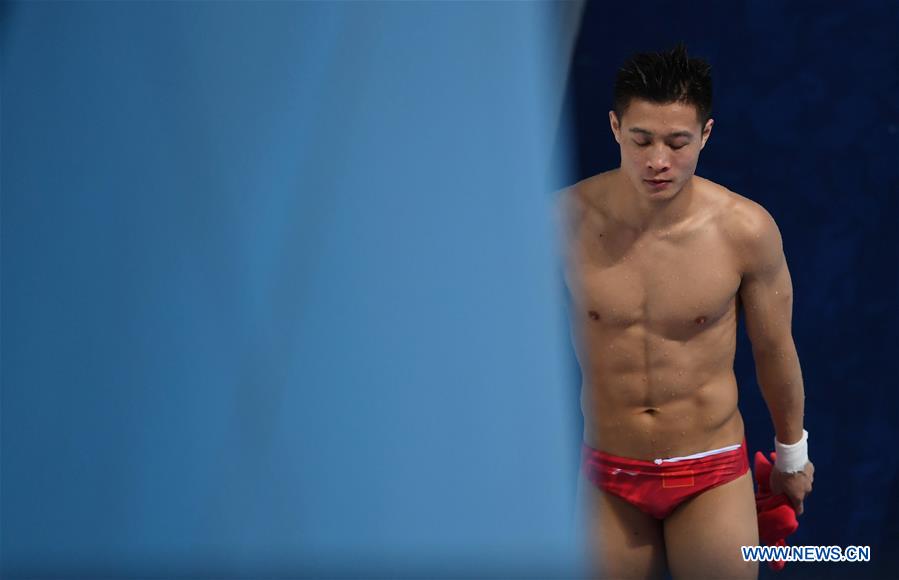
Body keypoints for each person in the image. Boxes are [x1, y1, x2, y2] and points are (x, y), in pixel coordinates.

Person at [558, 45, 814, 579]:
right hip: (607, 472)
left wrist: (792, 456)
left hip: (711, 472)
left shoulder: (746, 230)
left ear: (706, 135)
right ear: (613, 128)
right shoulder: (559, 224)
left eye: (677, 142)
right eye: (641, 140)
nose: (658, 161)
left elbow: (774, 350)